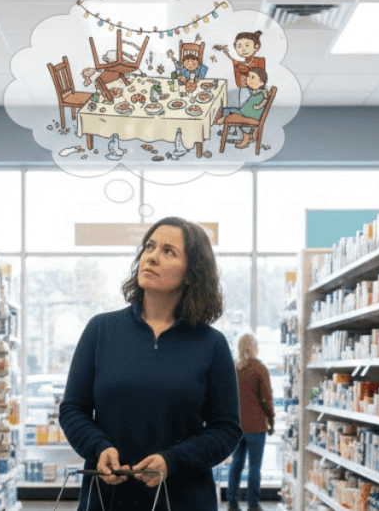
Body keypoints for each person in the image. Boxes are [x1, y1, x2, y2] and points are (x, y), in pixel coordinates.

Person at [59, 217, 242, 511]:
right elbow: (72, 409)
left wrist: (174, 460)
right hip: (108, 500)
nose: (153, 256)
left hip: (183, 500)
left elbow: (226, 429)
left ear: (192, 274)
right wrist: (99, 447)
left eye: (169, 251)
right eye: (150, 247)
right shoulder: (102, 330)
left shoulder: (212, 344)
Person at [226, 333, 274, 511]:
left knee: (236, 465)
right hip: (256, 426)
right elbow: (267, 399)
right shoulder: (260, 369)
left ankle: (232, 503)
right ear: (254, 347)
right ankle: (253, 504)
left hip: (236, 427)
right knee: (254, 466)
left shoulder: (233, 368)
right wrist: (271, 420)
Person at [214, 68, 270, 149]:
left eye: (252, 77)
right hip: (244, 112)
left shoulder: (260, 95)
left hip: (247, 115)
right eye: (248, 76)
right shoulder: (257, 92)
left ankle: (246, 137)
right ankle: (226, 124)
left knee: (228, 111)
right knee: (226, 110)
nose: (248, 79)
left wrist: (234, 115)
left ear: (261, 82)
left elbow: (254, 110)